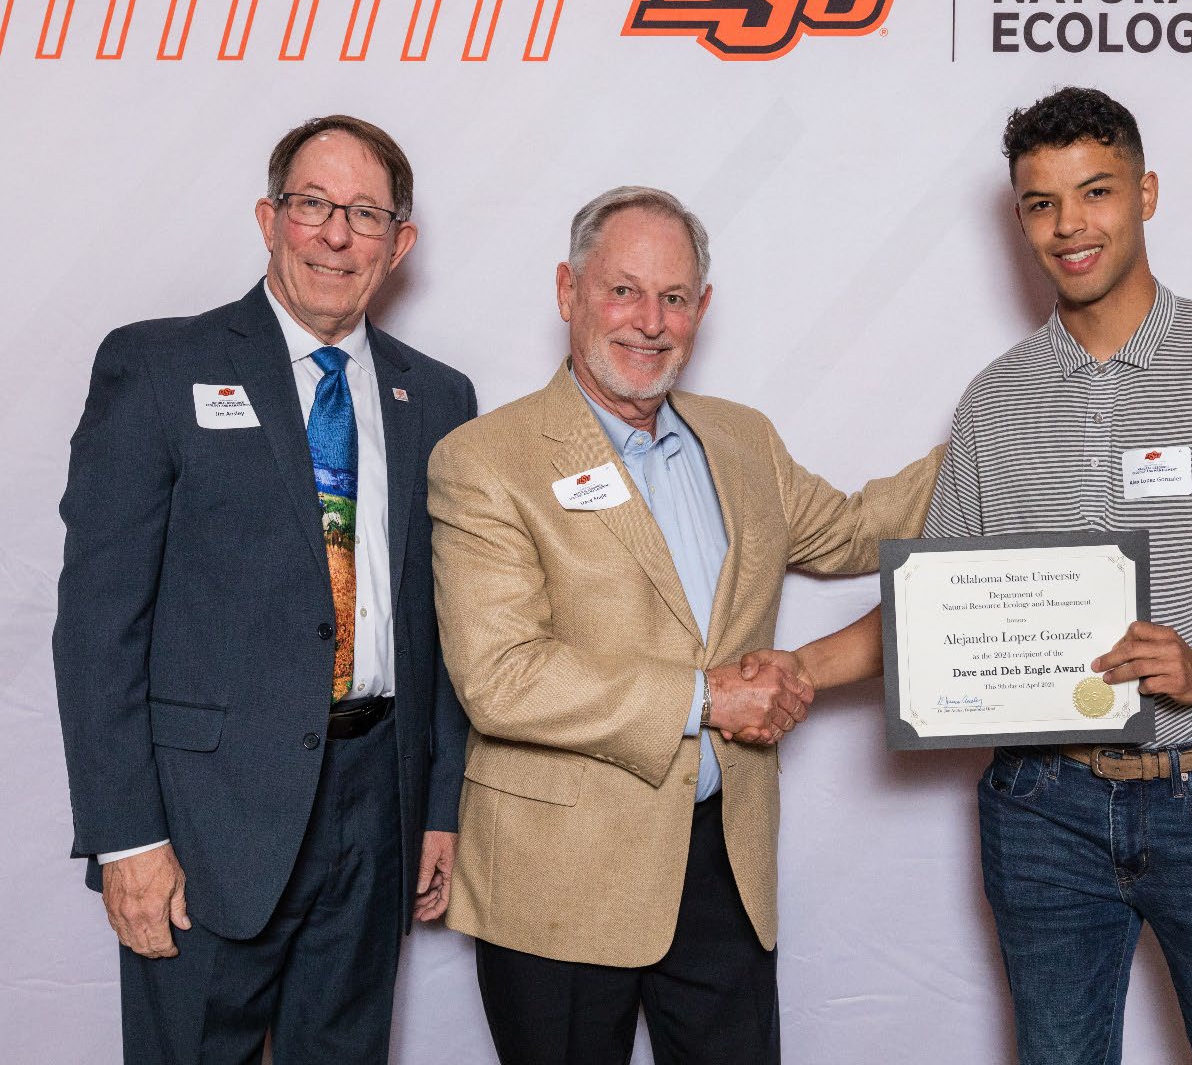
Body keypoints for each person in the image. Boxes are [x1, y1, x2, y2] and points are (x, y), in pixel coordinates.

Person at [743, 88, 1192, 1064]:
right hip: (1043, 808)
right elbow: (933, 608)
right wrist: (789, 670)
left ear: (1145, 193)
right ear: (1019, 218)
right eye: (1041, 202)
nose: (1069, 225)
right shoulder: (994, 402)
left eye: (1094, 191)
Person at [427, 186, 940, 1064]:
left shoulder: (742, 441)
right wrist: (706, 698)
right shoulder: (485, 460)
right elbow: (501, 677)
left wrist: (1006, 424)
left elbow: (858, 529)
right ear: (568, 292)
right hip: (559, 875)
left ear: (701, 308)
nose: (649, 322)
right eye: (623, 290)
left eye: (674, 297)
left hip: (722, 869)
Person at [53, 114, 478, 1062]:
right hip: (206, 821)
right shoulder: (160, 367)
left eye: (365, 214)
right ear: (268, 217)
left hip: (379, 801)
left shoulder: (439, 398)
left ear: (399, 244)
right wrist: (126, 839)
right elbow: (96, 625)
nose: (336, 235)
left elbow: (444, 619)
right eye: (313, 205)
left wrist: (440, 803)